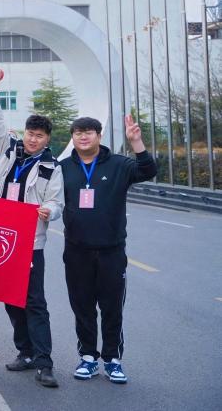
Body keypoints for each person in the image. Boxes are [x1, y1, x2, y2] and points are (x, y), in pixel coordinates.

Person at [62, 115, 156, 385]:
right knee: (82, 308)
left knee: (112, 308)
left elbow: (148, 171)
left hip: (111, 251)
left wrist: (136, 142)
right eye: (78, 132)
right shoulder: (63, 167)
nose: (83, 137)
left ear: (99, 136)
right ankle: (88, 357)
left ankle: (113, 360)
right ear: (73, 137)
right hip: (77, 250)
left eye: (89, 132)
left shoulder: (118, 164)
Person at [0, 105, 63, 388]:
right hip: (2, 239)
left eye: (40, 136)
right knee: (11, 299)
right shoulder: (9, 152)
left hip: (30, 243)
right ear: (25, 133)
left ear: (47, 139)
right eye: (30, 134)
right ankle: (26, 352)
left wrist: (49, 210)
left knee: (34, 302)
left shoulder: (51, 167)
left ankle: (45, 363)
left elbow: (56, 201)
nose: (33, 139)